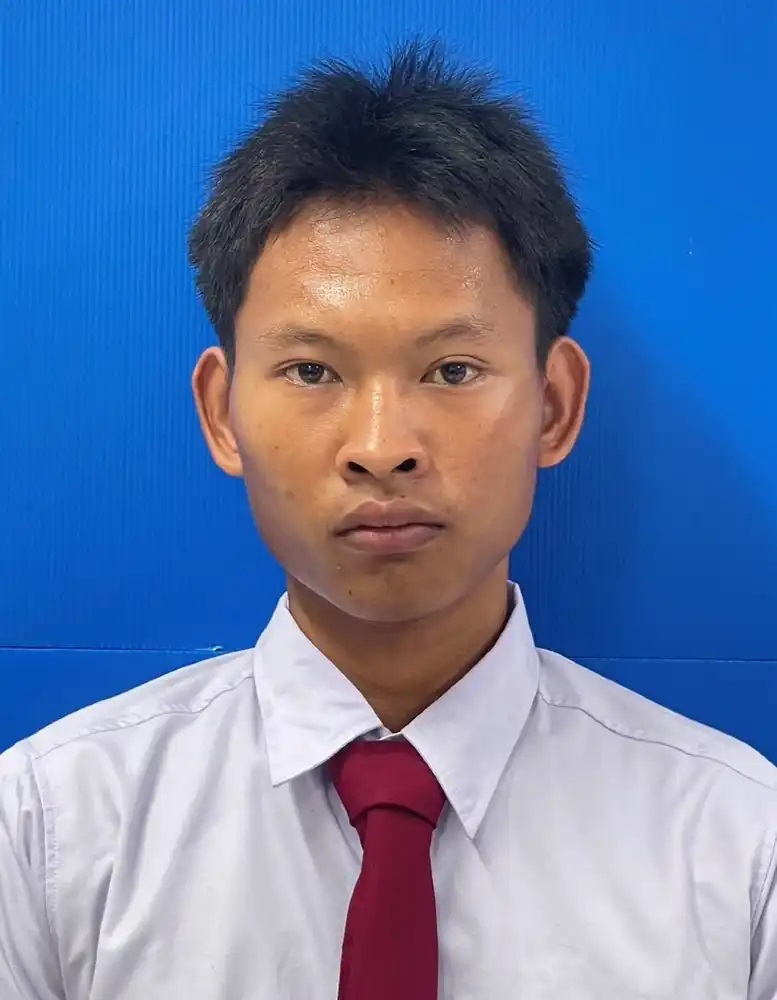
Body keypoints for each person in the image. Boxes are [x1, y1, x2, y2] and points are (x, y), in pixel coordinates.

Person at [1, 40, 775, 1000]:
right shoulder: (51, 832)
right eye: (311, 370)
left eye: (451, 370)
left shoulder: (737, 849)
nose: (380, 447)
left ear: (553, 406)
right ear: (221, 413)